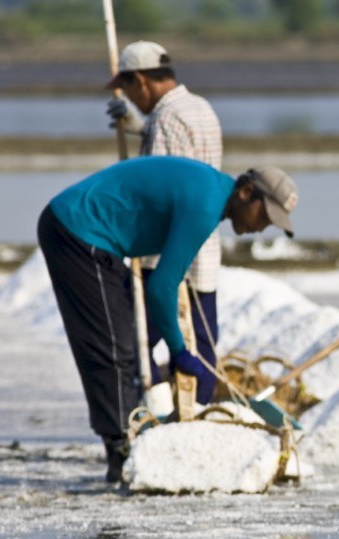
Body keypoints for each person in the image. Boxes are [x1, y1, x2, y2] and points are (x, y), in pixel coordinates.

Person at [37, 156, 299, 482]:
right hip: (78, 230)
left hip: (92, 235)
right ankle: (122, 448)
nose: (262, 227)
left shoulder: (211, 194)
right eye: (265, 215)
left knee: (125, 340)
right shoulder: (205, 206)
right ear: (247, 192)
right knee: (114, 346)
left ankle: (125, 439)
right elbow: (162, 288)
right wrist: (178, 351)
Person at [104, 40, 226, 392]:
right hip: (203, 244)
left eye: (128, 87)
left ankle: (156, 407)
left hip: (169, 247)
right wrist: (136, 124)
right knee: (201, 340)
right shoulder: (198, 107)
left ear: (141, 81)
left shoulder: (166, 118)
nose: (130, 95)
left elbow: (157, 184)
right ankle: (199, 410)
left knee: (134, 341)